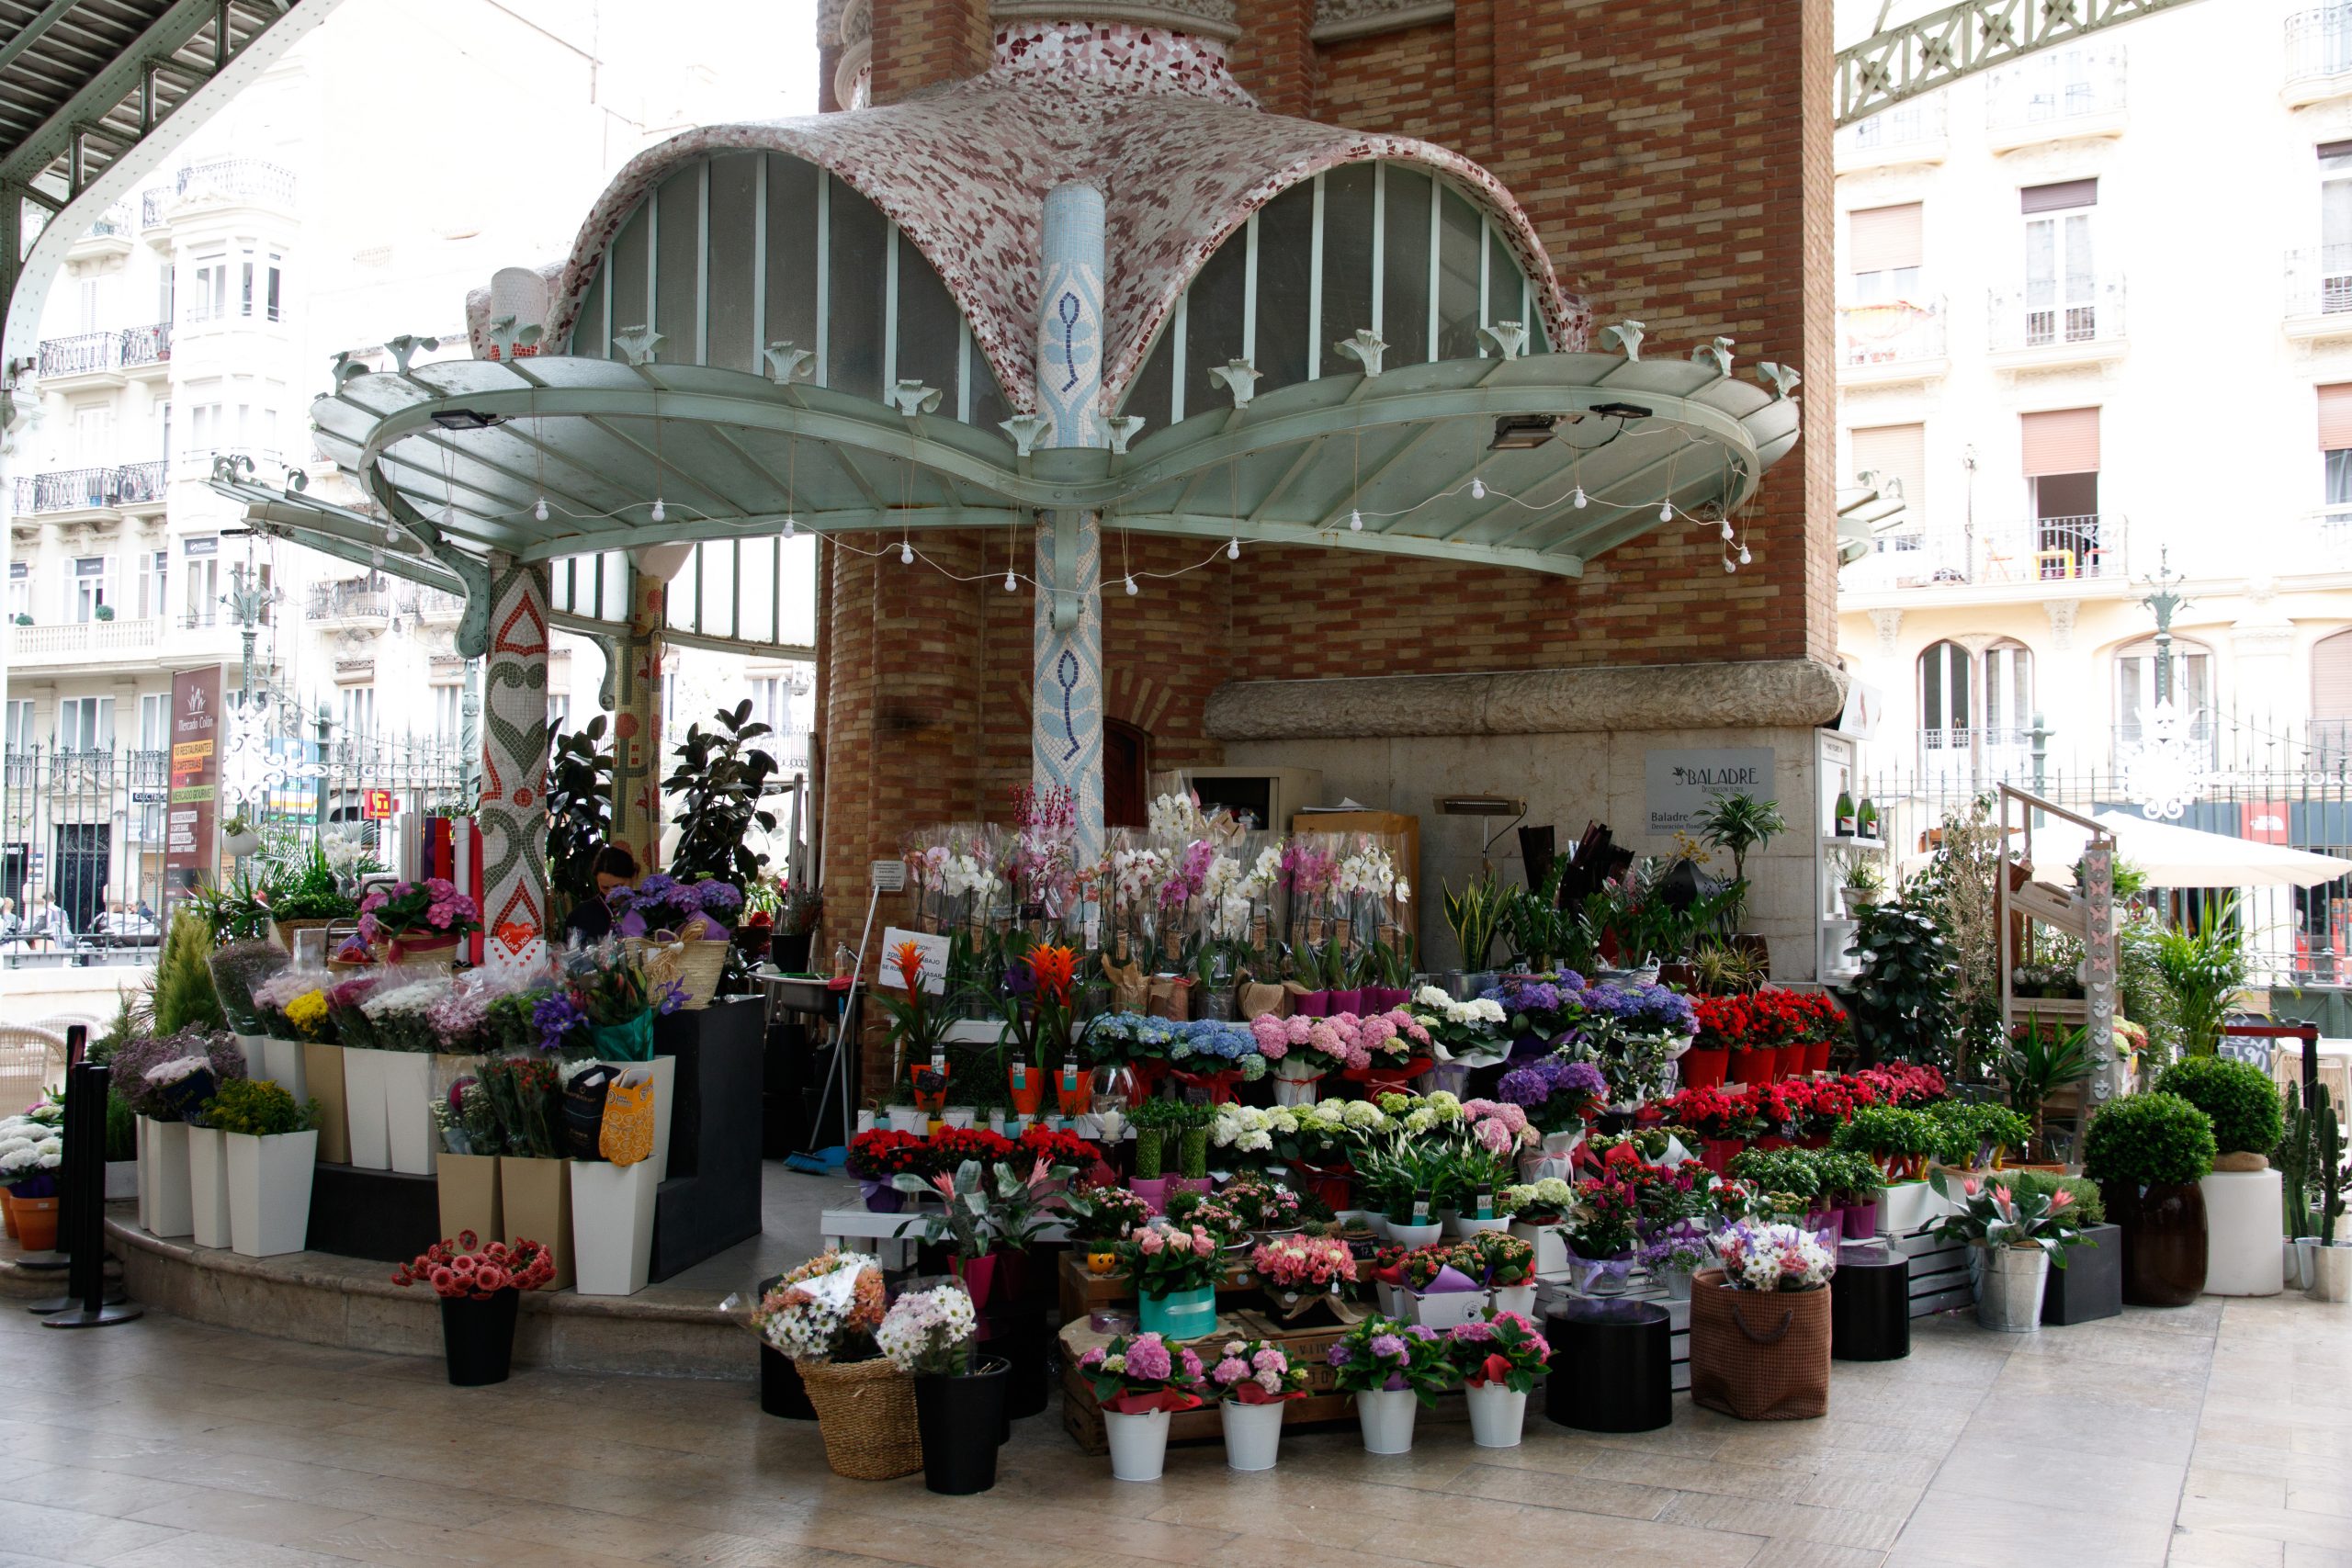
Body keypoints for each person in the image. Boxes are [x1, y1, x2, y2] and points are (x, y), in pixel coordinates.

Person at [563, 844, 639, 945]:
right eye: (605, 887)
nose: (611, 894)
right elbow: (567, 952)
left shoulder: (649, 911)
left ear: (634, 877)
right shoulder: (581, 915)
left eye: (617, 886)